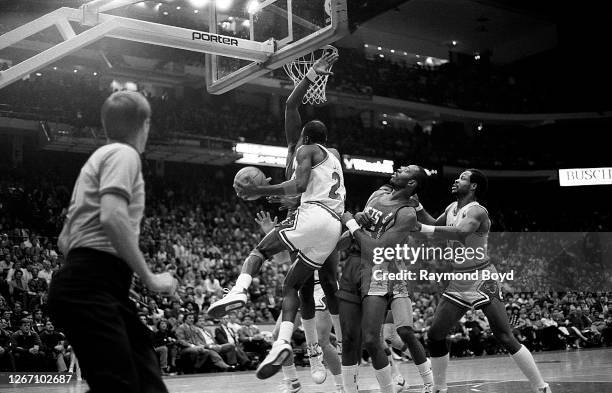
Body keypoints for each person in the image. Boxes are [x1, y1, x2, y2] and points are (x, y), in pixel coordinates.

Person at [47, 91, 176, 393]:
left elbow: (65, 241)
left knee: (148, 385)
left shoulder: (97, 159)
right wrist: (151, 278)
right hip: (91, 287)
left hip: (96, 285)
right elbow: (113, 217)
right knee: (120, 387)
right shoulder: (124, 154)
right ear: (145, 125)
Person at [414, 169, 551, 393]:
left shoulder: (477, 211)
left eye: (463, 178)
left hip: (481, 277)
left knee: (504, 335)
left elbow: (459, 232)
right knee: (435, 334)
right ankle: (439, 388)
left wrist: (422, 228)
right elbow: (434, 225)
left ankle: (541, 387)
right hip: (458, 280)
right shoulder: (451, 207)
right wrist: (418, 208)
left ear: (474, 186)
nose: (457, 180)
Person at [339, 165, 433, 393]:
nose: (399, 168)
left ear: (412, 183)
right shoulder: (377, 194)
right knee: (352, 338)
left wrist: (351, 223)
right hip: (354, 263)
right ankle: (351, 388)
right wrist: (358, 219)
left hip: (383, 270)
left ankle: (428, 383)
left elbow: (376, 250)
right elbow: (362, 229)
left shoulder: (406, 214)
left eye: (406, 170)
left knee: (392, 335)